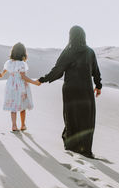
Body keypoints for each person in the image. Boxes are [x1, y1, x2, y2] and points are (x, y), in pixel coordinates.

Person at [38, 26, 102, 158]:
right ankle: (85, 149)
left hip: (71, 90)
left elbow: (57, 70)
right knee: (86, 119)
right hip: (85, 90)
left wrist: (43, 79)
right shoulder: (90, 52)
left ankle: (72, 145)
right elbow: (96, 70)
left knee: (71, 117)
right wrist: (98, 86)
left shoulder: (68, 51)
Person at [0, 42, 40, 131]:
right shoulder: (22, 64)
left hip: (10, 85)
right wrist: (34, 82)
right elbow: (23, 76)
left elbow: (2, 73)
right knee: (22, 106)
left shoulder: (8, 62)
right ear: (23, 53)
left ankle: (14, 125)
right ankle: (23, 125)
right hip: (20, 86)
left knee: (13, 105)